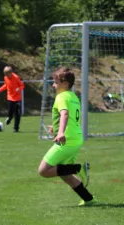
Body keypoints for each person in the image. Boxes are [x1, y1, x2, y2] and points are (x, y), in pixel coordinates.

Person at [38, 67, 95, 206]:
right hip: (76, 138)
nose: (53, 85)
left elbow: (64, 114)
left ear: (65, 83)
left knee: (43, 171)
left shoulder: (61, 97)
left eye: (56, 82)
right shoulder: (73, 96)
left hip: (66, 140)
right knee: (64, 174)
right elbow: (71, 118)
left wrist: (60, 132)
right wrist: (57, 128)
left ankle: (78, 168)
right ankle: (88, 198)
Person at [0, 66, 25, 132]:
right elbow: (6, 85)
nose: (6, 76)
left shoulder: (16, 77)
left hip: (17, 98)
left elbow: (22, 85)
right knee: (10, 112)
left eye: (7, 74)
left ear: (11, 73)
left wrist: (19, 88)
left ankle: (16, 128)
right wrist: (0, 89)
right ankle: (9, 117)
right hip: (10, 97)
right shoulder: (5, 77)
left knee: (17, 113)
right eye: (5, 74)